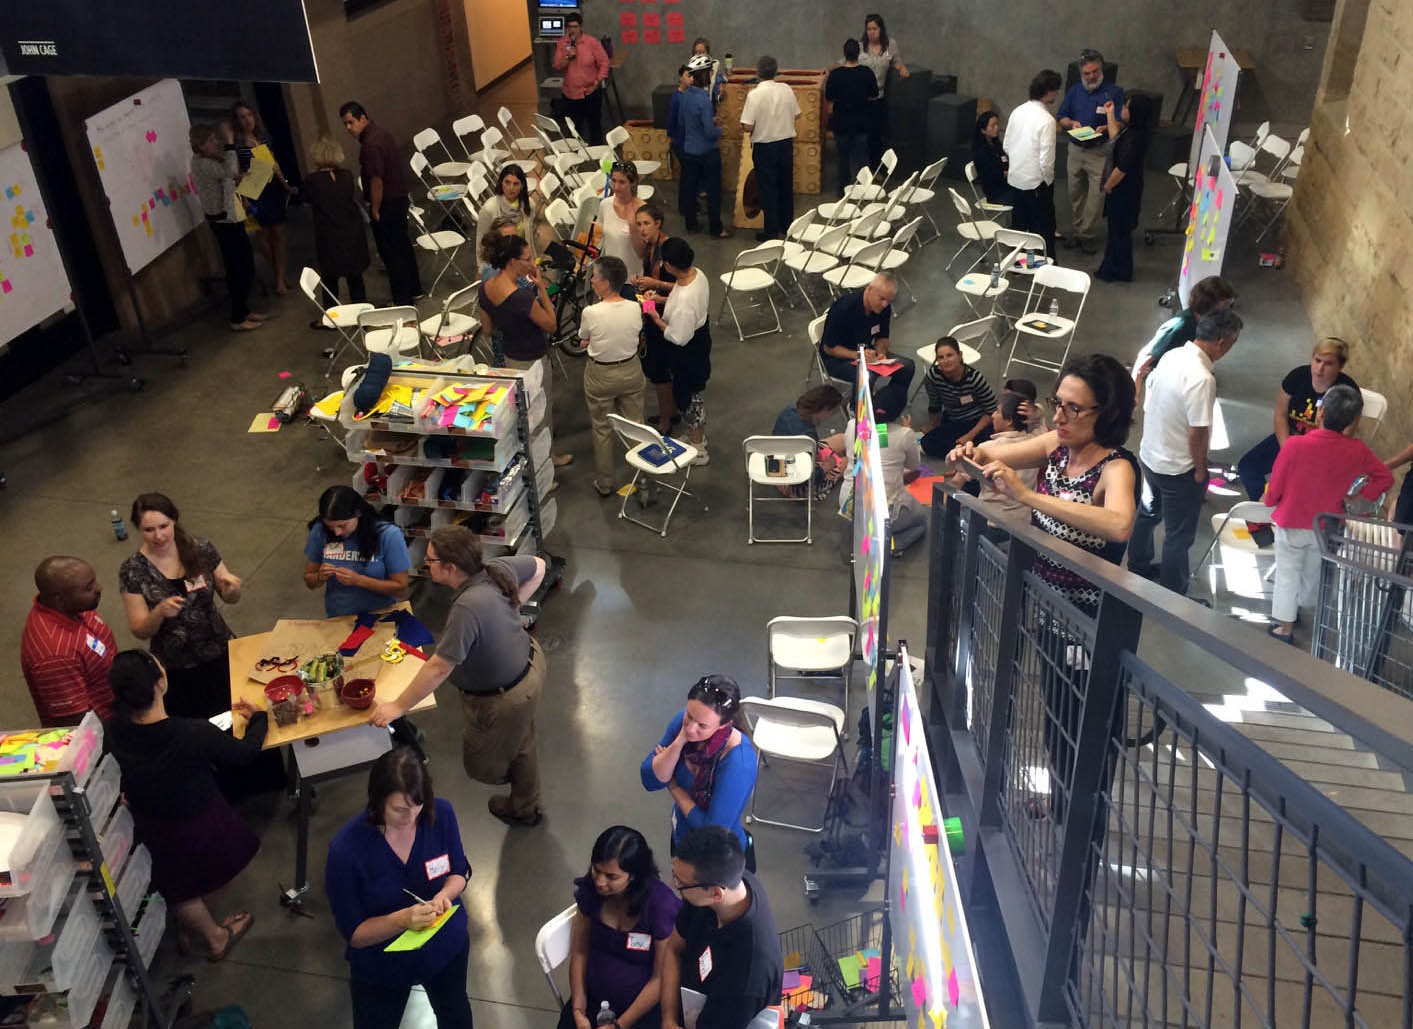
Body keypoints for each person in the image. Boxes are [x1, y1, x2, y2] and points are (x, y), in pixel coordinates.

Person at [952, 353, 1138, 822]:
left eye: (1074, 408)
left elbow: (1118, 523)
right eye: (1059, 403)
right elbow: (993, 455)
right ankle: (1060, 801)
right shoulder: (1058, 444)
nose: (1059, 417)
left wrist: (1028, 496)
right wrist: (971, 453)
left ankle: (1084, 819)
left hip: (1091, 628)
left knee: (1087, 728)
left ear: (1107, 413)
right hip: (1049, 612)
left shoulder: (1115, 467)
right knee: (1057, 718)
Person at [370, 526, 549, 827]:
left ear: (450, 567)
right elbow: (539, 566)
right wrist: (510, 611)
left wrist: (398, 707)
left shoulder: (467, 607)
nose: (426, 564)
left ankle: (521, 795)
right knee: (521, 739)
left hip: (506, 696)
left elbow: (439, 667)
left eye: (430, 560)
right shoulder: (496, 569)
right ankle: (525, 807)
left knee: (482, 764)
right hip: (528, 665)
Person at [104, 650, 265, 961]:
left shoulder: (111, 730)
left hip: (149, 823)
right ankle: (216, 937)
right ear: (160, 683)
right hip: (196, 821)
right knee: (195, 881)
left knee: (174, 883)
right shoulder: (191, 734)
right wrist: (259, 719)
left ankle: (188, 925)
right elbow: (244, 753)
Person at [325, 747, 473, 1029]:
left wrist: (444, 895)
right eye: (399, 809)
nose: (411, 817)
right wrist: (402, 919)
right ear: (377, 800)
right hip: (382, 965)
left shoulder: (440, 813)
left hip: (444, 948)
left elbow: (458, 872)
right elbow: (355, 934)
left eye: (418, 805)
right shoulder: (346, 851)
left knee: (455, 1013)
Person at [1128, 309, 1244, 594]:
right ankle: (1173, 591)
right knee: (1178, 535)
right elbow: (1198, 431)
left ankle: (1138, 565)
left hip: (1151, 454)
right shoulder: (1203, 378)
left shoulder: (1173, 355)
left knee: (1147, 513)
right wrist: (1201, 469)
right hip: (1178, 469)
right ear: (1222, 342)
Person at [1264, 385, 1391, 644]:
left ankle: (1284, 627)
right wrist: (1358, 496)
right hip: (1327, 526)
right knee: (1313, 573)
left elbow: (1276, 485)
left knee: (1287, 573)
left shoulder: (1294, 445)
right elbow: (1385, 478)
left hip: (1292, 520)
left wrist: (1271, 500)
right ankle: (1302, 605)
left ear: (1320, 412)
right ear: (1353, 422)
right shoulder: (1358, 450)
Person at [119, 493, 241, 720]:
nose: (158, 536)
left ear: (174, 520)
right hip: (177, 668)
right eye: (149, 530)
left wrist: (231, 589)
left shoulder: (201, 549)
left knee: (236, 715)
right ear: (138, 529)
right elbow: (139, 630)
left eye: (163, 526)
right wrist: (158, 613)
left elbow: (230, 596)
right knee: (196, 726)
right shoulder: (133, 570)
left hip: (219, 651)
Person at [659, 826, 783, 1029]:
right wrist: (668, 1019)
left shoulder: (747, 974)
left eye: (680, 882)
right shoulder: (726, 884)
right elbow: (674, 949)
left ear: (716, 894)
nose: (673, 885)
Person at [559, 826, 682, 1029]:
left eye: (611, 877)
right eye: (596, 870)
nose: (600, 882)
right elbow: (580, 952)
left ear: (633, 876)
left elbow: (660, 978)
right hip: (592, 1001)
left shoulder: (660, 905)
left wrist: (620, 1025)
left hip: (642, 1009)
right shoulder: (590, 891)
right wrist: (578, 1010)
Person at [479, 234, 573, 467]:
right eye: (528, 259)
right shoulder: (521, 297)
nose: (532, 263)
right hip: (533, 359)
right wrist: (541, 287)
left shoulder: (486, 288)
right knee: (541, 413)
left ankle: (535, 460)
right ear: (513, 261)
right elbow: (551, 325)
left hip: (510, 357)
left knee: (523, 413)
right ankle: (546, 464)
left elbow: (487, 329)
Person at [641, 676, 757, 854]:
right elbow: (650, 779)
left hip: (714, 855)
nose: (690, 728)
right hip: (682, 833)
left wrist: (674, 787)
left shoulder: (739, 762)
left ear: (723, 725)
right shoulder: (684, 724)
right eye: (689, 716)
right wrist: (679, 742)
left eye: (702, 726)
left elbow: (712, 832)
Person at [1235, 337, 1359, 503]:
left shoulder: (1348, 392)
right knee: (1247, 467)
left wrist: (1307, 459)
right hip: (1290, 438)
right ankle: (1266, 508)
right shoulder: (1297, 377)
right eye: (1317, 360)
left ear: (1340, 366)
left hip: (1323, 450)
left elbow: (1344, 436)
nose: (1320, 368)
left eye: (1328, 364)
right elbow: (1281, 414)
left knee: (1300, 484)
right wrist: (1287, 448)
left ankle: (1282, 506)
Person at [340, 101, 423, 306]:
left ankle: (402, 299)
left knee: (391, 253)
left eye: (350, 122)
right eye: (345, 124)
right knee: (403, 246)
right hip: (399, 198)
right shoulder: (382, 134)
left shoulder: (370, 145)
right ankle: (415, 289)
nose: (348, 128)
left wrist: (375, 209)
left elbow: (377, 180)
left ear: (362, 118)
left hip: (387, 203)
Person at [21, 557, 116, 727]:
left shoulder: (75, 606)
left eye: (94, 582)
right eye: (88, 588)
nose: (99, 588)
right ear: (59, 598)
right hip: (105, 729)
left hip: (116, 702)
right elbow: (77, 722)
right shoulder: (55, 656)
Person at [580, 257, 647, 496]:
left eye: (595, 276)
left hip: (601, 375)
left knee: (602, 429)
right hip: (631, 370)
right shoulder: (634, 307)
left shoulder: (590, 312)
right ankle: (642, 476)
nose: (592, 280)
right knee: (636, 425)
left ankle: (605, 483)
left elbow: (584, 338)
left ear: (606, 282)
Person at [642, 238, 712, 464]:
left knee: (689, 398)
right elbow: (679, 296)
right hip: (700, 338)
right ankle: (694, 436)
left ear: (670, 265)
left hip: (688, 351)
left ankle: (698, 447)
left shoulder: (685, 301)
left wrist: (654, 317)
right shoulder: (697, 275)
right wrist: (660, 298)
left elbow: (678, 336)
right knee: (690, 394)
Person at [189, 123, 261, 331]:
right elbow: (229, 171)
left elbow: (228, 177)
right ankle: (237, 317)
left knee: (246, 263)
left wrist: (241, 182)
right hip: (224, 222)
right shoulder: (201, 163)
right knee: (237, 268)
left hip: (233, 217)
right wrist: (230, 143)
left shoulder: (211, 159)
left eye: (215, 139)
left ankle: (244, 309)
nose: (215, 143)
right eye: (210, 141)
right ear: (200, 145)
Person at [817, 273, 916, 421]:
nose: (885, 304)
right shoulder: (844, 309)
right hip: (837, 358)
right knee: (867, 374)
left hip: (868, 351)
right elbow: (829, 348)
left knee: (907, 366)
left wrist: (881, 352)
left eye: (888, 301)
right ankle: (856, 409)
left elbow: (882, 337)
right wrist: (858, 355)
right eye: (882, 299)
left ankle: (889, 406)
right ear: (869, 290)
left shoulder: (884, 308)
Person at [302, 485, 411, 616]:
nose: (336, 532)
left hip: (380, 616)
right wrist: (319, 577)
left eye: (342, 526)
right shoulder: (320, 530)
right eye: (330, 527)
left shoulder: (388, 535)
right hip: (338, 617)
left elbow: (401, 589)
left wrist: (359, 580)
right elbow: (309, 580)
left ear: (358, 513)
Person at [1056, 49, 1125, 254]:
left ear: (1101, 70)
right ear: (1081, 73)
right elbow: (1061, 117)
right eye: (1087, 73)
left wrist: (1107, 126)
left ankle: (1086, 235)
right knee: (1075, 193)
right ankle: (1078, 230)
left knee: (1096, 197)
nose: (1092, 76)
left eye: (1095, 71)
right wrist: (1071, 123)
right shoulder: (1074, 91)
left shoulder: (1114, 92)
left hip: (1099, 152)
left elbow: (1121, 122)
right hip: (1076, 150)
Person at [842, 400, 927, 554]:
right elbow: (914, 466)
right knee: (920, 521)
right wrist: (907, 431)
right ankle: (892, 546)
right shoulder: (904, 434)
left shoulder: (852, 424)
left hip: (849, 503)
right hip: (882, 511)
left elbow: (880, 447)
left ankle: (865, 534)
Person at [1130, 275, 1236, 393]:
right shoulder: (1180, 326)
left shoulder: (1205, 324)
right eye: (1225, 307)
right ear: (1208, 306)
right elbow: (1144, 358)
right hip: (1162, 380)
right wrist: (1134, 395)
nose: (1228, 312)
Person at [231, 100, 294, 295]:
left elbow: (273, 163)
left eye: (249, 115)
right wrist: (243, 194)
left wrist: (285, 184)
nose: (247, 120)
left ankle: (280, 278)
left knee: (279, 232)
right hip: (252, 192)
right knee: (261, 237)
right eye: (242, 117)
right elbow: (235, 172)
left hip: (271, 188)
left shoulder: (262, 138)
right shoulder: (237, 144)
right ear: (237, 120)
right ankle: (279, 273)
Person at [303, 136, 370, 306]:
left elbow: (307, 201)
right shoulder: (347, 175)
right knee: (355, 276)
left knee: (329, 277)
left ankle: (331, 313)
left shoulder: (312, 180)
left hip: (329, 233)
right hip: (352, 230)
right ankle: (362, 310)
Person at [631, 204, 679, 435]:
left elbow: (682, 287)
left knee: (660, 371)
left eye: (646, 223)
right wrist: (643, 284)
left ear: (658, 223)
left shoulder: (668, 250)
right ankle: (669, 411)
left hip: (667, 316)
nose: (642, 229)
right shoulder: (650, 248)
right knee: (658, 369)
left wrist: (654, 284)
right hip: (654, 312)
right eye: (639, 224)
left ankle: (666, 418)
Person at [740, 55, 799, 242]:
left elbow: (747, 126)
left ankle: (771, 231)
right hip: (785, 145)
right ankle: (787, 225)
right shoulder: (786, 89)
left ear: (758, 72)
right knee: (785, 186)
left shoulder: (754, 95)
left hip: (765, 148)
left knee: (768, 189)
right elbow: (797, 114)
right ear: (776, 71)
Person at [1005, 69, 1062, 261]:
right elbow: (1047, 161)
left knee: (1019, 228)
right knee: (1043, 230)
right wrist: (1047, 182)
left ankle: (1018, 266)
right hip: (1037, 184)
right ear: (1049, 92)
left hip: (1016, 179)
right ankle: (1046, 265)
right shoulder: (1047, 120)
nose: (1057, 94)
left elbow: (1006, 145)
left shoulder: (1017, 111)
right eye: (1056, 90)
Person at [1095, 92, 1154, 282]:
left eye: (1126, 107)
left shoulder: (1135, 138)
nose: (1123, 109)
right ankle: (1118, 269)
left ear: (1134, 112)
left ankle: (1115, 270)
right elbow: (1115, 138)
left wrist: (1108, 185)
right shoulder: (1132, 131)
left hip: (1124, 192)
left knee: (1119, 232)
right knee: (1117, 232)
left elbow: (1122, 168)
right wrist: (1110, 113)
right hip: (1126, 189)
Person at [920, 336, 998, 459]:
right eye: (941, 357)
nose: (946, 361)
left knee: (987, 440)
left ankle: (965, 449)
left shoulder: (975, 378)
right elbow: (935, 404)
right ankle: (966, 450)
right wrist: (933, 426)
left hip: (978, 421)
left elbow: (991, 411)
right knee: (926, 443)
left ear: (960, 356)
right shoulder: (933, 376)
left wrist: (969, 436)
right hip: (954, 419)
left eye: (950, 355)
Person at [678, 55, 727, 239]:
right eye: (709, 72)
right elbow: (709, 132)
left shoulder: (685, 96)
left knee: (690, 190)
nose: (711, 75)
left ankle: (691, 225)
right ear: (704, 75)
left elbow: (683, 122)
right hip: (707, 153)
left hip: (689, 151)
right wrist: (720, 130)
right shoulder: (704, 100)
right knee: (714, 192)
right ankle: (716, 229)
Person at [826, 39, 879, 197]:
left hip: (841, 123)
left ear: (844, 54)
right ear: (859, 54)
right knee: (862, 158)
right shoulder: (867, 72)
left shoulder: (835, 75)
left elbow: (829, 97)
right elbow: (874, 95)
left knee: (843, 159)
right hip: (862, 122)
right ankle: (864, 190)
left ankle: (843, 191)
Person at [774, 385, 847, 497]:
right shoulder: (807, 437)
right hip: (793, 484)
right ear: (824, 410)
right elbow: (804, 478)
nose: (830, 417)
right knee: (849, 462)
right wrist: (825, 467)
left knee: (843, 439)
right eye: (832, 412)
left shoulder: (789, 410)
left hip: (778, 466)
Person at [858, 13, 909, 166]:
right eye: (869, 29)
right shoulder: (860, 46)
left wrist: (902, 68)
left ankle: (875, 168)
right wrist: (829, 69)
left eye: (874, 28)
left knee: (876, 135)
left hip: (879, 98)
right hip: (861, 98)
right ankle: (861, 167)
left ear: (881, 29)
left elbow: (897, 61)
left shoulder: (890, 45)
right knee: (862, 135)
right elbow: (846, 61)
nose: (871, 32)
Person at [977, 392, 1041, 510]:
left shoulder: (985, 449)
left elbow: (957, 480)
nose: (993, 415)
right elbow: (1041, 418)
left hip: (987, 516)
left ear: (1009, 421)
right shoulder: (1038, 443)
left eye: (997, 412)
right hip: (1024, 518)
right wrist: (1034, 411)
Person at [555, 12, 610, 146]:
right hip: (571, 94)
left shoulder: (591, 42)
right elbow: (557, 66)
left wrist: (598, 81)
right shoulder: (562, 43)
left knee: (595, 126)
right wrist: (568, 57)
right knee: (574, 129)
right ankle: (577, 154)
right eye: (570, 27)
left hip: (590, 92)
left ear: (580, 27)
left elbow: (604, 62)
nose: (572, 30)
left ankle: (597, 152)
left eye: (575, 26)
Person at [476, 163, 538, 263]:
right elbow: (481, 242)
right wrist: (482, 268)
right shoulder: (489, 208)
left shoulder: (529, 204)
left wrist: (532, 262)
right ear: (501, 183)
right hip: (499, 263)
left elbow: (530, 239)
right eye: (507, 182)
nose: (511, 188)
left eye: (516, 184)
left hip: (523, 261)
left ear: (522, 185)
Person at [599, 162, 647, 268]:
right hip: (610, 272)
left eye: (622, 182)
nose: (616, 187)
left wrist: (632, 226)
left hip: (633, 273)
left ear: (632, 183)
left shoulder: (644, 211)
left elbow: (642, 254)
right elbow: (601, 238)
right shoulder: (605, 204)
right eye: (613, 181)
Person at [971, 111, 1012, 205]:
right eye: (993, 126)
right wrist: (1007, 173)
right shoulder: (980, 150)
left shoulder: (996, 144)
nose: (997, 128)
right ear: (983, 130)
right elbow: (990, 175)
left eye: (997, 124)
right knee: (1025, 198)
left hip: (1006, 186)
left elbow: (1005, 162)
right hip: (996, 194)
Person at [666, 65, 691, 175]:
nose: (690, 79)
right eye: (687, 76)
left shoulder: (693, 95)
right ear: (680, 78)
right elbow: (672, 118)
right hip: (680, 140)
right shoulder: (676, 98)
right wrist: (671, 137)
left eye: (691, 76)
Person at [690, 37, 728, 106]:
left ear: (707, 53)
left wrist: (720, 95)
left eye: (702, 52)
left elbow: (718, 93)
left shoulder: (714, 67)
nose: (699, 56)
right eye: (696, 53)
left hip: (709, 106)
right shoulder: (689, 71)